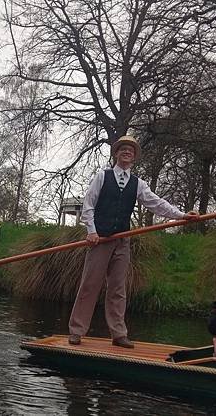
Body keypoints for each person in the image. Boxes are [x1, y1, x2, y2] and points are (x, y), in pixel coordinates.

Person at [68, 135, 199, 348]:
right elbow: (88, 205)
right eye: (123, 149)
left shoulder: (138, 183)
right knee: (90, 285)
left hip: (122, 240)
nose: (127, 152)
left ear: (134, 157)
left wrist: (182, 215)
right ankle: (76, 331)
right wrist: (91, 231)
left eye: (130, 150)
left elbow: (156, 204)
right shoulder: (103, 176)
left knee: (118, 288)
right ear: (116, 154)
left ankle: (119, 334)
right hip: (100, 239)